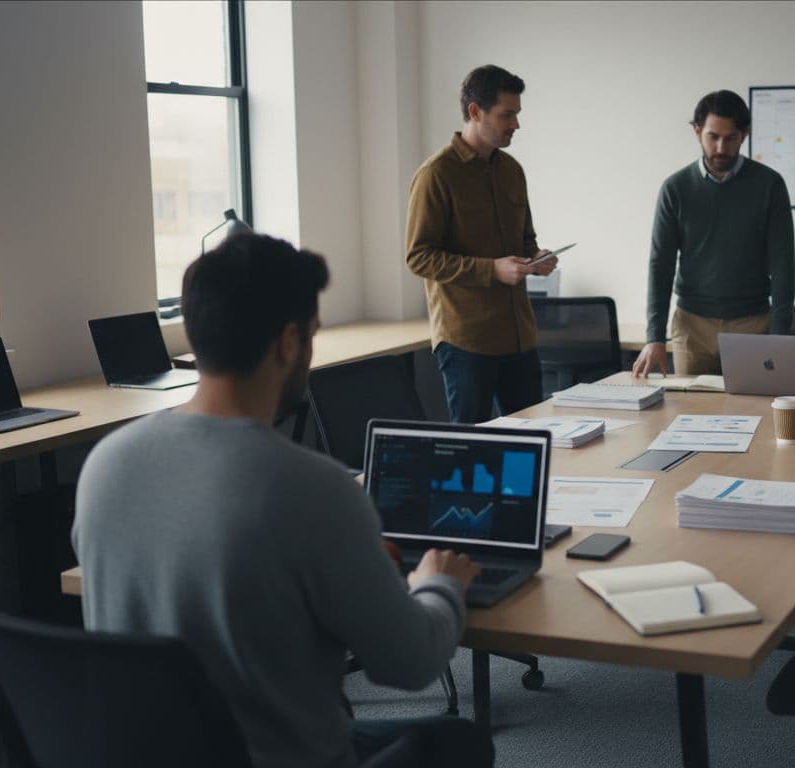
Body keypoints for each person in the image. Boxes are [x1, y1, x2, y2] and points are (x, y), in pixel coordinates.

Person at [73, 234, 491, 768]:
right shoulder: (315, 488)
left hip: (148, 753)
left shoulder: (105, 465)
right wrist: (440, 584)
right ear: (289, 343)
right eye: (312, 336)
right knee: (461, 742)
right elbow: (408, 664)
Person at [405, 64, 555, 423]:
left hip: (519, 336)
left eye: (517, 114)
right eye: (507, 114)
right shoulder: (436, 175)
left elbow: (525, 239)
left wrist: (537, 258)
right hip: (466, 341)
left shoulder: (512, 171)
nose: (516, 124)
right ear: (475, 111)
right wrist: (491, 270)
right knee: (473, 454)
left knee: (532, 441)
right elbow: (419, 257)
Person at [632, 89, 795, 377]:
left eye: (731, 138)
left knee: (753, 412)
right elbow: (661, 264)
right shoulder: (676, 188)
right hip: (692, 326)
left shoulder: (769, 185)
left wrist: (780, 337)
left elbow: (783, 265)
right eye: (713, 136)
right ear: (697, 131)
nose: (721, 147)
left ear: (744, 134)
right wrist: (654, 337)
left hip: (753, 324)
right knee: (689, 414)